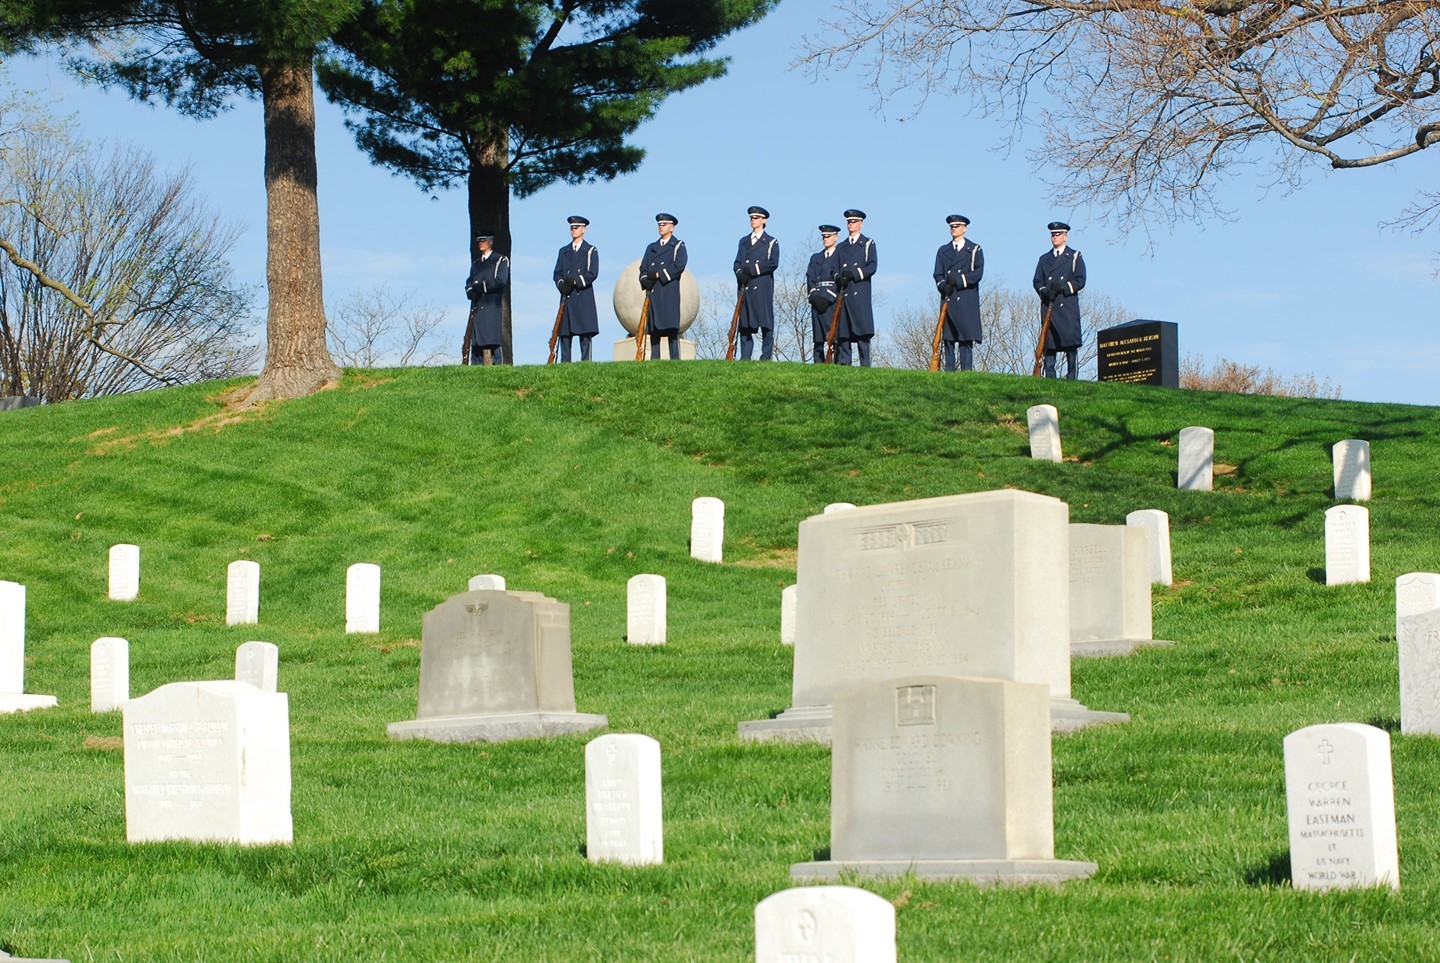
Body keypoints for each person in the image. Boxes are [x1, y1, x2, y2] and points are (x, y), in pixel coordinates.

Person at [1032, 220, 1086, 379]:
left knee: (1070, 345)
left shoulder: (1074, 256)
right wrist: (1046, 292)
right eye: (1053, 235)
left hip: (1067, 306)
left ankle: (1072, 376)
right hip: (1050, 306)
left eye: (1058, 234)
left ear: (1065, 237)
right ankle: (1050, 377)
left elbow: (1080, 280)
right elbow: (1037, 281)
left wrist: (1063, 288)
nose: (1055, 237)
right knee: (1050, 346)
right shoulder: (1044, 259)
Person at [932, 214, 984, 372]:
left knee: (965, 339)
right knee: (948, 338)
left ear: (965, 229)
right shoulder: (943, 250)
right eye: (952, 227)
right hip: (949, 297)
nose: (954, 229)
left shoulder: (974, 250)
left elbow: (977, 274)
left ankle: (966, 370)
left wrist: (959, 280)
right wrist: (943, 286)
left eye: (957, 226)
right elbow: (937, 274)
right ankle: (949, 370)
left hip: (966, 298)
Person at [732, 205, 779, 360]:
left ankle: (766, 357)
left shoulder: (771, 242)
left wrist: (752, 270)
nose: (753, 220)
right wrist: (740, 274)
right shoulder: (744, 241)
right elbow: (737, 262)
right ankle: (745, 357)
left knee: (766, 324)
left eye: (757, 218)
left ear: (764, 220)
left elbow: (772, 263)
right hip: (745, 287)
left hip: (762, 287)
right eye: (752, 218)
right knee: (745, 325)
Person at [639, 212, 688, 360]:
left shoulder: (678, 246)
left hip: (668, 291)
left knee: (671, 329)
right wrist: (645, 280)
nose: (661, 227)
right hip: (654, 292)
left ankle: (675, 359)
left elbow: (679, 265)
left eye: (664, 224)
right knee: (654, 330)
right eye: (659, 224)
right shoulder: (651, 247)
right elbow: (643, 268)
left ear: (672, 228)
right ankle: (655, 359)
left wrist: (660, 275)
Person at [552, 215, 599, 362]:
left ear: (584, 229)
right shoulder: (563, 251)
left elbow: (592, 273)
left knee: (585, 334)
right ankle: (565, 363)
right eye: (572, 227)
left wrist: (574, 281)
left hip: (582, 296)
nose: (573, 230)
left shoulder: (590, 250)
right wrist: (561, 285)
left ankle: (586, 363)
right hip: (567, 297)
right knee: (565, 334)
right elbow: (557, 273)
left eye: (576, 227)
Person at [834, 208, 877, 366]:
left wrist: (854, 274)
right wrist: (840, 278)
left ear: (861, 224)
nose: (851, 224)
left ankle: (865, 365)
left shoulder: (867, 244)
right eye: (849, 222)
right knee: (844, 335)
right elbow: (834, 270)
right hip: (844, 295)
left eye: (854, 221)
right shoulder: (841, 247)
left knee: (862, 334)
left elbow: (872, 267)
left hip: (860, 295)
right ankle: (845, 365)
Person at [463, 233, 509, 365]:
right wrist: (471, 290)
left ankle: (497, 364)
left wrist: (481, 287)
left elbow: (500, 281)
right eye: (479, 241)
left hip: (491, 306)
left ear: (491, 242)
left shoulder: (500, 260)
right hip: (478, 305)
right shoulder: (477, 264)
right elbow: (469, 282)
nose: (481, 243)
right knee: (476, 343)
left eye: (484, 240)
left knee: (493, 340)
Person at [806, 224, 842, 363]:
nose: (825, 239)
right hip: (817, 300)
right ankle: (818, 363)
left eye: (828, 236)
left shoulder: (840, 256)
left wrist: (828, 297)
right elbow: (810, 278)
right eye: (823, 237)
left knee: (834, 336)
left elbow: (839, 279)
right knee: (818, 338)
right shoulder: (816, 258)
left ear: (835, 237)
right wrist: (814, 296)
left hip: (831, 301)